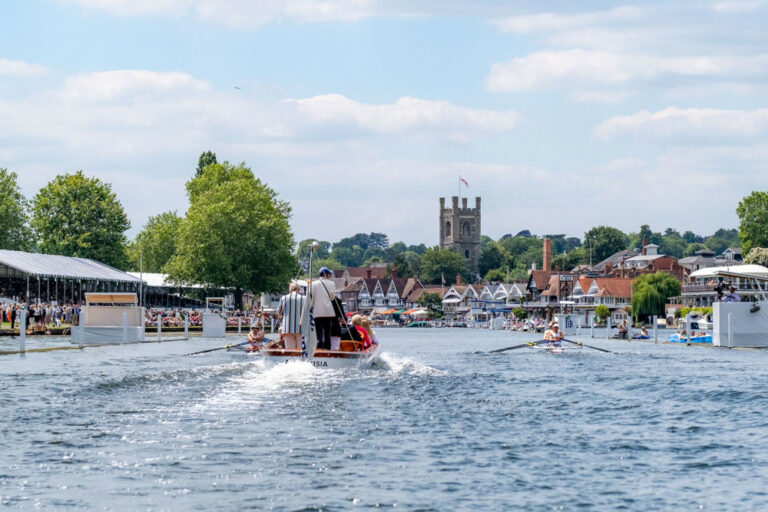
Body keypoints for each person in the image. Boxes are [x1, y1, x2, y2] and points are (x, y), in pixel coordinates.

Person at [311, 267, 336, 350]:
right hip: (328, 312)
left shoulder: (313, 284)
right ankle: (328, 348)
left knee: (318, 332)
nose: (330, 275)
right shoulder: (331, 283)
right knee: (327, 332)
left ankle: (319, 348)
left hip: (317, 312)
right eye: (329, 274)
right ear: (325, 274)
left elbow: (312, 298)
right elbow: (332, 298)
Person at [277, 282, 305, 350]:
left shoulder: (284, 298)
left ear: (290, 289)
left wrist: (281, 318)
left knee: (290, 350)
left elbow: (278, 311)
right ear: (298, 289)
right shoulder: (303, 298)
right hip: (301, 328)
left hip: (287, 328)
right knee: (300, 350)